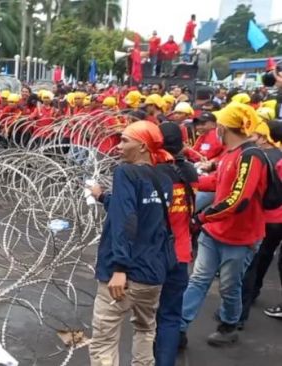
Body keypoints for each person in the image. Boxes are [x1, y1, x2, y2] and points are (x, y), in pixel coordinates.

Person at [179, 102, 267, 348]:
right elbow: (218, 182)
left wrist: (201, 218)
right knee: (198, 279)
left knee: (229, 286)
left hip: (240, 238)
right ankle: (179, 328)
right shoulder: (230, 154)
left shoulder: (251, 157)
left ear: (224, 127)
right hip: (214, 233)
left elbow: (237, 201)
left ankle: (229, 325)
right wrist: (191, 179)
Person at [88, 121, 174, 366]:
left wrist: (119, 268)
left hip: (124, 277)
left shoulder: (125, 172)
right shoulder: (164, 177)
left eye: (125, 140)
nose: (118, 146)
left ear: (143, 146)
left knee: (104, 343)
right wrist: (103, 197)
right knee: (146, 331)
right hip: (153, 273)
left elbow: (127, 219)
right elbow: (142, 211)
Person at [154, 122, 199, 366]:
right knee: (170, 315)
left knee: (147, 315)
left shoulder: (154, 173)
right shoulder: (189, 171)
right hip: (181, 252)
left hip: (153, 255)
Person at [239, 121, 282, 324]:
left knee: (255, 261)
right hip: (276, 219)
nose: (252, 137)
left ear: (266, 137)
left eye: (256, 134)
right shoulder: (278, 155)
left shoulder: (261, 157)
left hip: (267, 217)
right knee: (267, 257)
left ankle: (240, 312)